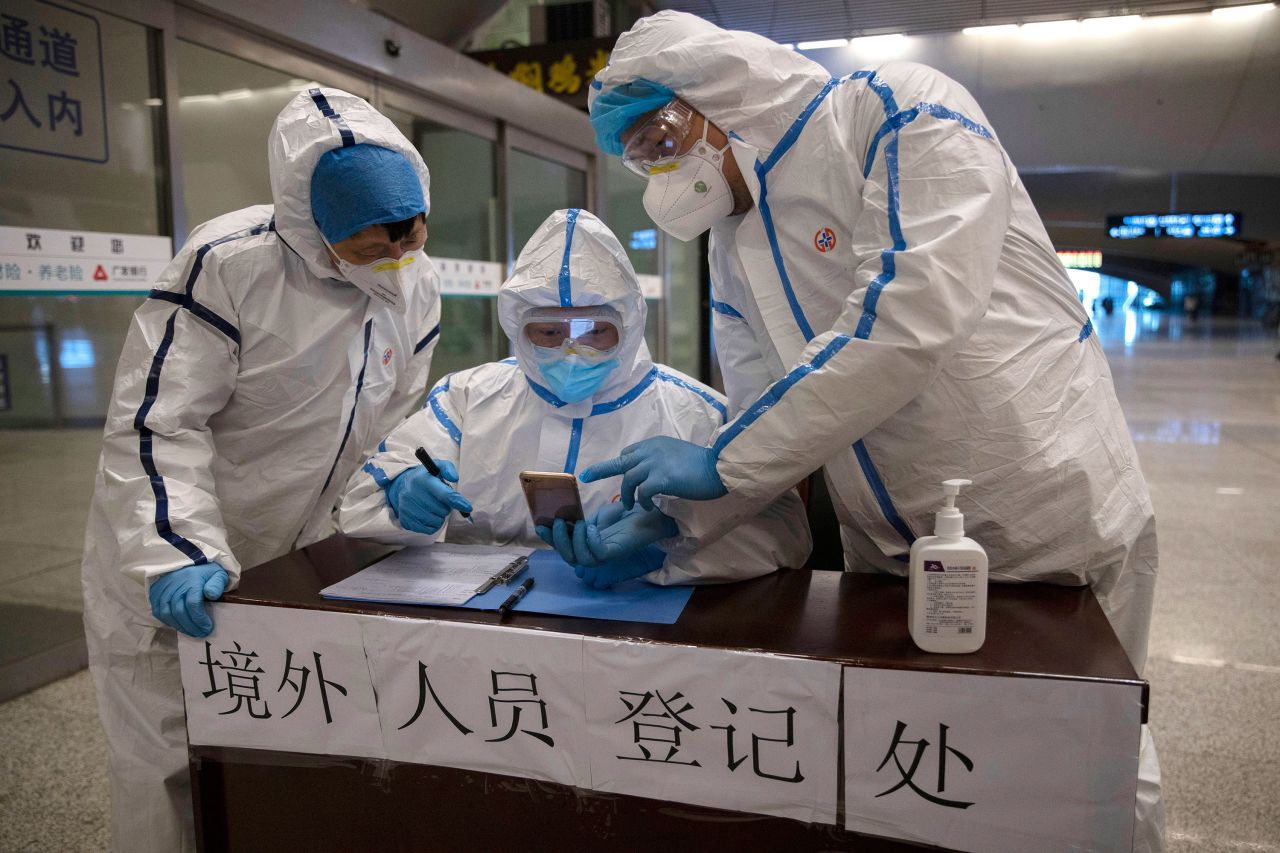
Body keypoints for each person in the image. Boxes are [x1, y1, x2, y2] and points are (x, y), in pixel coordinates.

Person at [575, 12, 1163, 850]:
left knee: (1082, 769)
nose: (661, 168)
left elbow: (909, 320)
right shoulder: (731, 243)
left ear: (724, 91)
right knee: (930, 778)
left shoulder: (899, 111)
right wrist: (681, 521)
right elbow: (760, 416)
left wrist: (723, 461)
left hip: (1043, 524)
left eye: (663, 135)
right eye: (640, 155)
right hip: (889, 560)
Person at [81, 88, 442, 853]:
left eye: (410, 234)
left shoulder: (416, 283)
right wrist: (177, 550)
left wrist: (397, 478)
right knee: (166, 765)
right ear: (313, 228)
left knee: (276, 756)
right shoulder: (230, 265)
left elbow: (390, 420)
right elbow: (156, 425)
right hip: (176, 561)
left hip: (293, 566)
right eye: (371, 243)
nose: (397, 257)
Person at [339, 208, 810, 585]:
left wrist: (670, 551)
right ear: (517, 329)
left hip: (633, 637)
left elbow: (785, 533)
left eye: (594, 331)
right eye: (547, 331)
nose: (570, 350)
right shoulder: (467, 397)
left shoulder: (698, 412)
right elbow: (362, 498)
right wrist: (401, 496)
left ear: (627, 326)